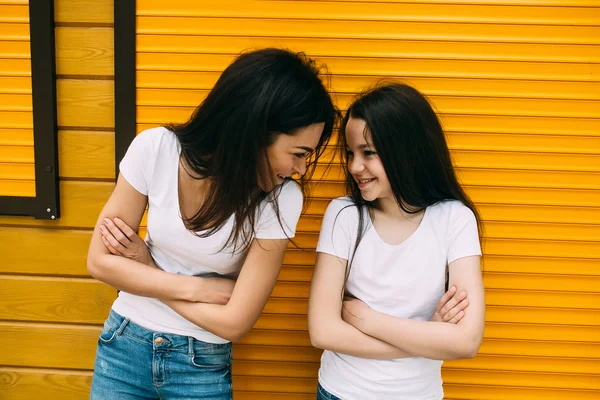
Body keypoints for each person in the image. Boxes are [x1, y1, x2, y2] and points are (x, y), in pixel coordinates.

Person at [86, 48, 339, 400]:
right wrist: (197, 289)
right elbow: (99, 261)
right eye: (298, 153)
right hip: (123, 345)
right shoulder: (155, 149)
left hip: (200, 364)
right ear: (255, 129)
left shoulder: (281, 200)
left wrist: (146, 267)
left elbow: (236, 322)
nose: (301, 169)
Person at [308, 82, 485, 400]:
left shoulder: (454, 219)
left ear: (406, 151)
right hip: (340, 393)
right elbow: (323, 330)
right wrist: (427, 336)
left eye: (368, 153)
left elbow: (466, 342)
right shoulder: (344, 215)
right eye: (351, 153)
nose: (354, 167)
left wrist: (364, 318)